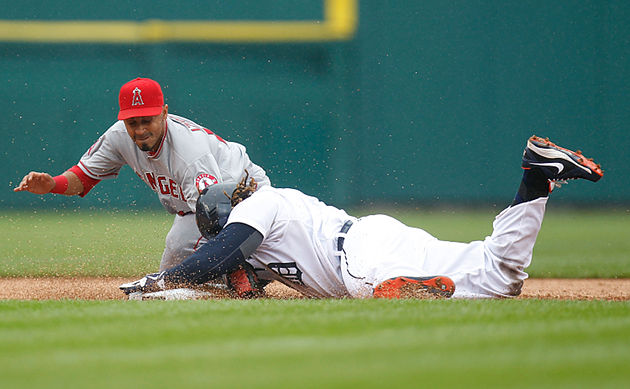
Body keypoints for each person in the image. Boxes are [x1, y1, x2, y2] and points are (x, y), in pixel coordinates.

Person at [120, 135, 603, 299]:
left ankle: (405, 288)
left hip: (358, 259)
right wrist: (203, 284)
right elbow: (234, 276)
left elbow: (220, 255)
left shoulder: (258, 206)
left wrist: (160, 280)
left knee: (375, 290)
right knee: (501, 275)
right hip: (373, 236)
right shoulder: (262, 227)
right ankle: (536, 179)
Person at [14, 77, 270, 272]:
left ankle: (248, 270)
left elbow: (215, 216)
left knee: (185, 256)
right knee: (172, 272)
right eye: (132, 122)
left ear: (164, 112)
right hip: (200, 207)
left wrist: (232, 265)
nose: (139, 130)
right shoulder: (118, 136)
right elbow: (83, 177)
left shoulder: (189, 154)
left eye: (147, 120)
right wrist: (52, 184)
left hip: (243, 195)